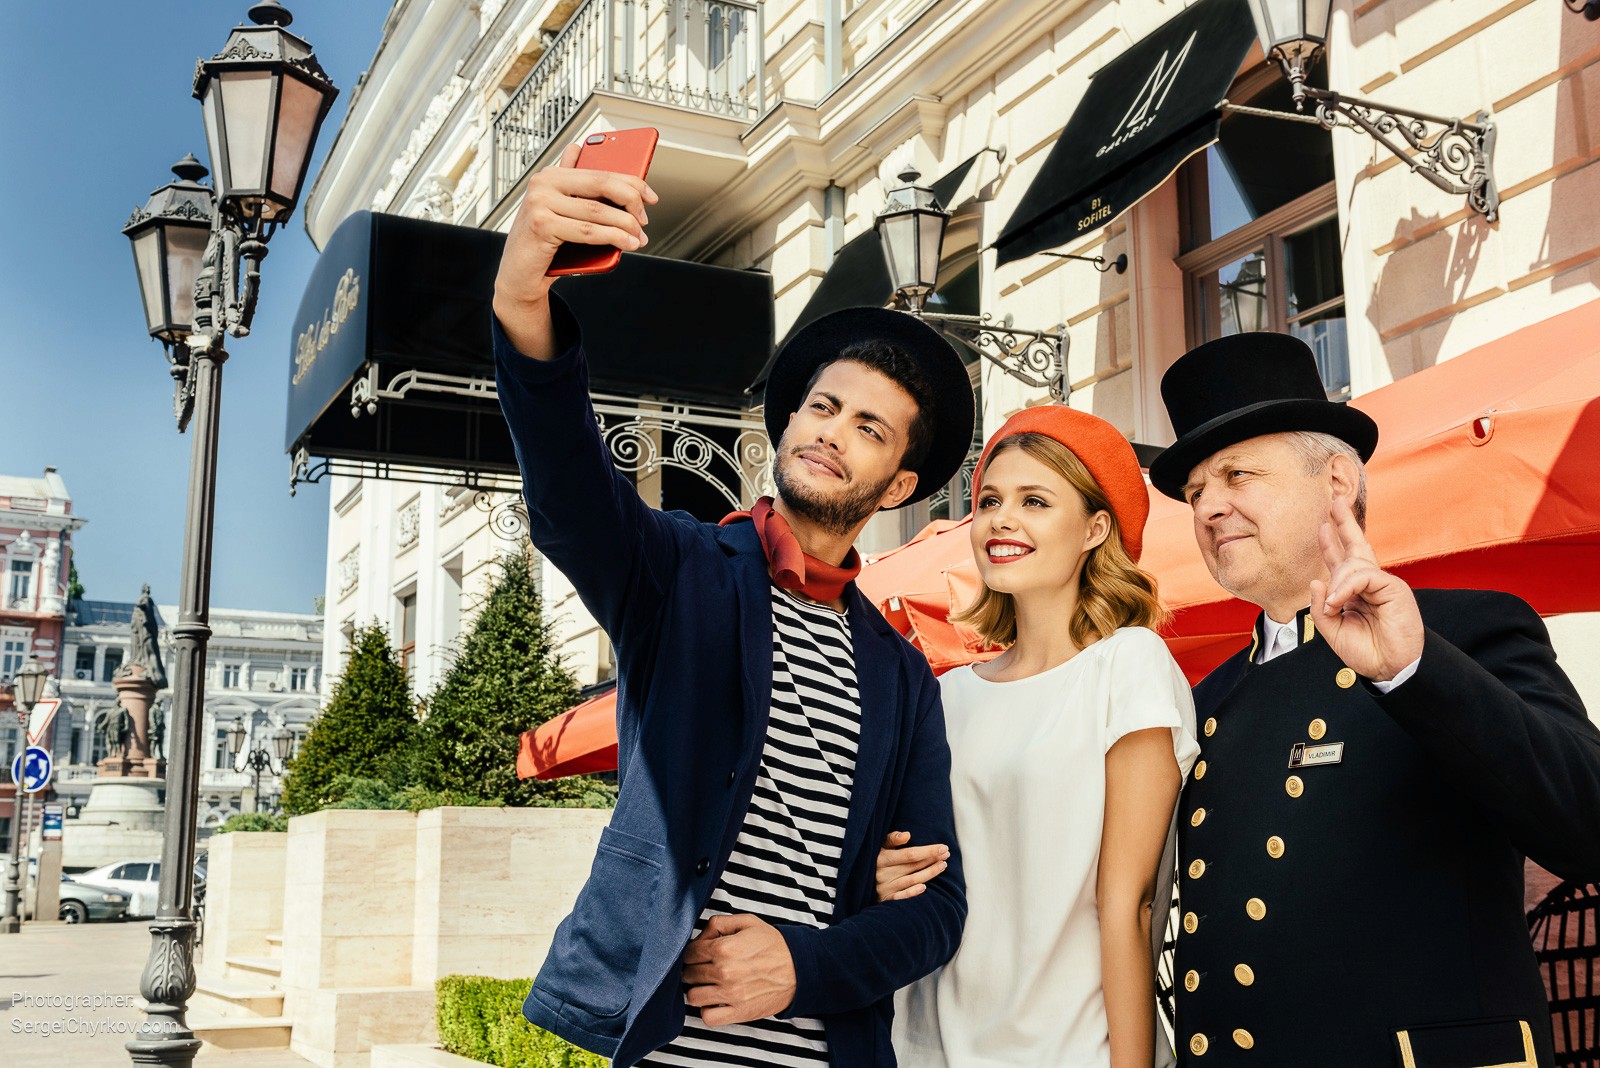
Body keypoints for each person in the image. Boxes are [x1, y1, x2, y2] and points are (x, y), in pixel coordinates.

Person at [491, 143, 975, 1067]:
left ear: (901, 479)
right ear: (790, 421)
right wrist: (523, 306)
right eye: (823, 407)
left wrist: (803, 964)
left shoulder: (904, 672)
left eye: (867, 428)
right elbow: (569, 492)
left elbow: (936, 915)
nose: (832, 432)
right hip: (668, 1047)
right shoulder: (678, 571)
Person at [1146, 332, 1600, 1066]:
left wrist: (1414, 671)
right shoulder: (1209, 698)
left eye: (1237, 475)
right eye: (1196, 492)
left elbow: (1588, 822)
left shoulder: (1463, 630)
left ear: (1334, 484)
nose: (1208, 508)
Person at [879, 406, 1200, 1067]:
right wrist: (880, 874)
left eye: (1035, 500)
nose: (1000, 519)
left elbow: (1130, 904)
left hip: (1076, 1052)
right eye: (990, 499)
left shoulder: (1128, 664)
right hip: (926, 1048)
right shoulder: (944, 697)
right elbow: (918, 873)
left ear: (1095, 528)